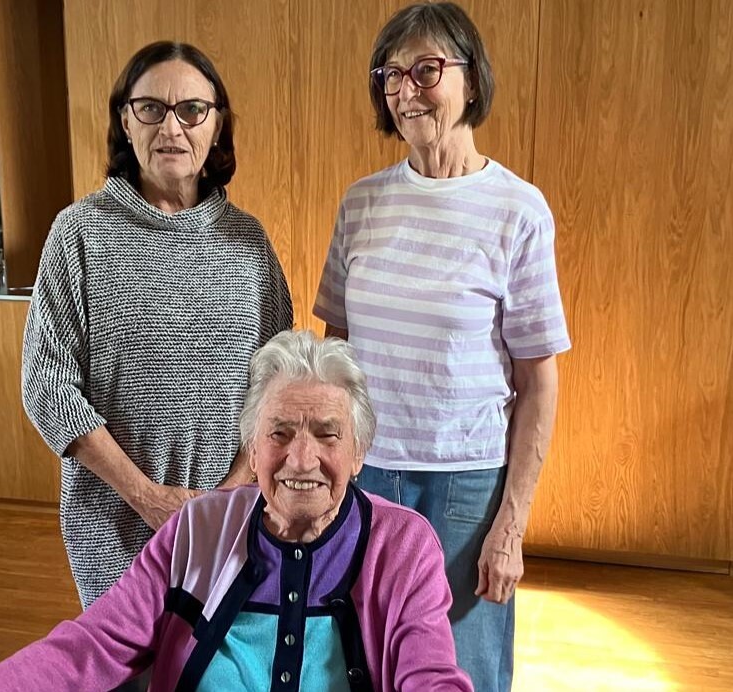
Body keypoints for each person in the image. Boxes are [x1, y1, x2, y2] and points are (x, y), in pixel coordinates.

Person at [0, 330, 472, 691]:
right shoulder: (200, 528)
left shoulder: (402, 546)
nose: (301, 458)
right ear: (252, 448)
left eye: (327, 435)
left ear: (358, 453)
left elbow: (429, 675)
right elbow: (91, 646)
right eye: (279, 433)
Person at [314, 4, 571, 691]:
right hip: (366, 477)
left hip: (467, 488)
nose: (406, 90)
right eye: (391, 75)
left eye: (426, 69)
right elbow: (336, 353)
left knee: (463, 672)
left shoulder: (518, 210)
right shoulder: (361, 204)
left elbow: (539, 381)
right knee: (357, 661)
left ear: (471, 78)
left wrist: (511, 526)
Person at [21, 40, 294, 609]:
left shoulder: (248, 242)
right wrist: (146, 496)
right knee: (129, 655)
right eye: (151, 108)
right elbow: (48, 389)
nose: (172, 127)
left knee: (219, 652)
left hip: (230, 519)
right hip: (111, 524)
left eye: (192, 110)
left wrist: (232, 493)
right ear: (126, 121)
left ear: (216, 126)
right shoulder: (80, 232)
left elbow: (277, 384)